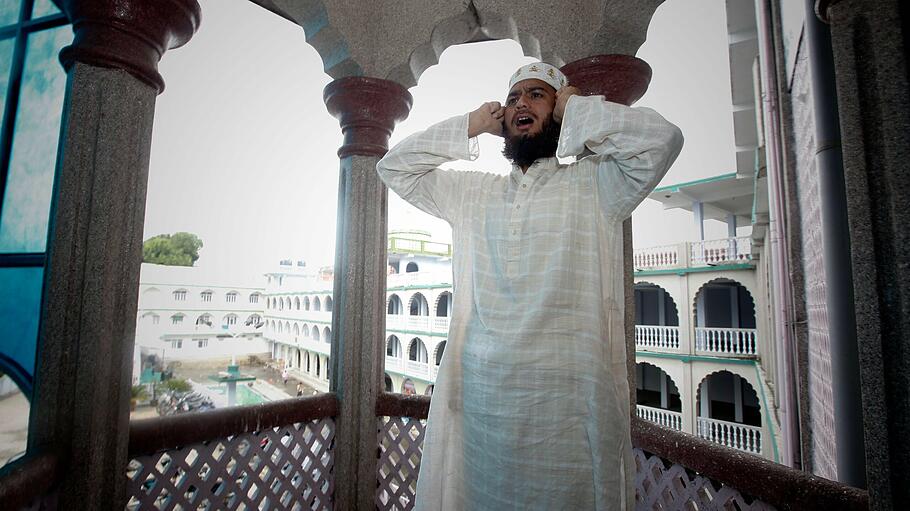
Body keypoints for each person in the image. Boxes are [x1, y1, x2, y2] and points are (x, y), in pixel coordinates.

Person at [377, 62, 683, 510]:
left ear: (558, 112)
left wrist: (577, 107)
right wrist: (472, 125)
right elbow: (395, 167)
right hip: (483, 414)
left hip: (566, 420)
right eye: (514, 97)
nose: (521, 102)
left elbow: (663, 140)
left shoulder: (597, 184)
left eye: (537, 95)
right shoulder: (473, 193)